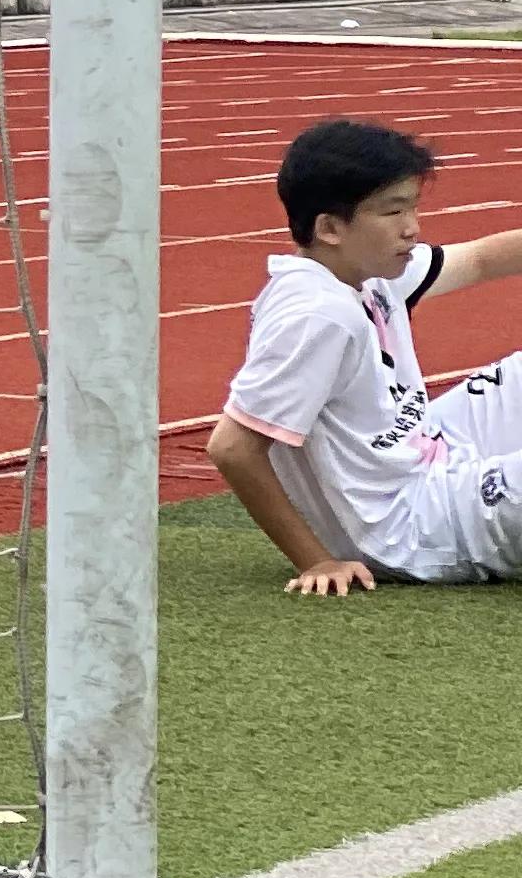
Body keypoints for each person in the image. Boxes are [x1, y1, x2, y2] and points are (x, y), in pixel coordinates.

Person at [208, 116, 522, 593]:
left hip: (431, 451)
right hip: (410, 526)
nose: (412, 229)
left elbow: (480, 259)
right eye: (393, 212)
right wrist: (316, 561)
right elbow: (232, 449)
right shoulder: (316, 316)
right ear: (331, 227)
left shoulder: (364, 270)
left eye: (413, 207)